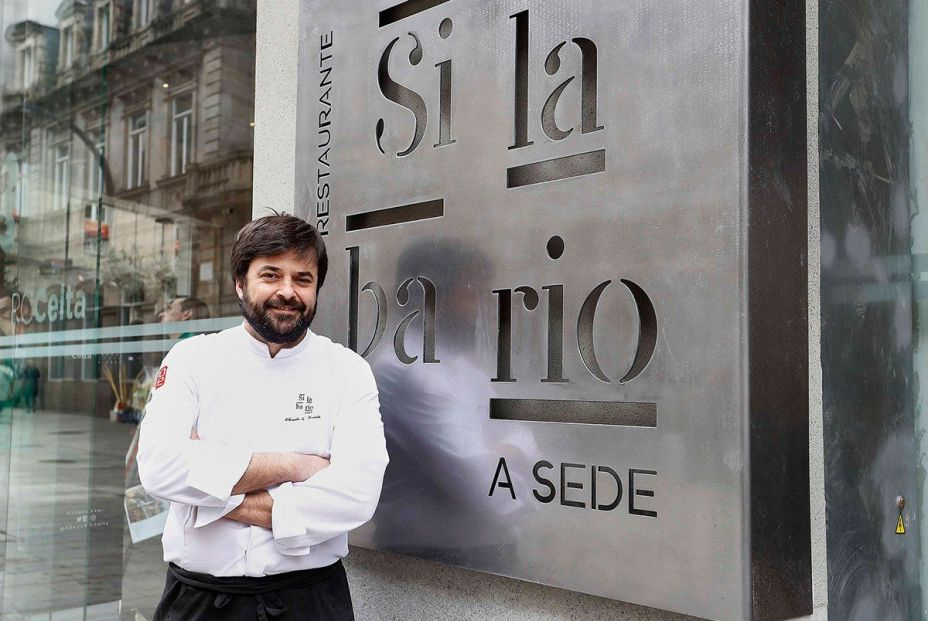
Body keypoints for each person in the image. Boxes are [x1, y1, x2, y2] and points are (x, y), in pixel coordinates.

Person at [137, 214, 388, 620]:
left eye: (303, 280)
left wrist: (209, 497)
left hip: (310, 601)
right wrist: (293, 465)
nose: (288, 292)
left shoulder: (347, 370)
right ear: (241, 282)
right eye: (271, 275)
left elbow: (357, 495)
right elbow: (159, 467)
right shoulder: (192, 359)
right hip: (200, 601)